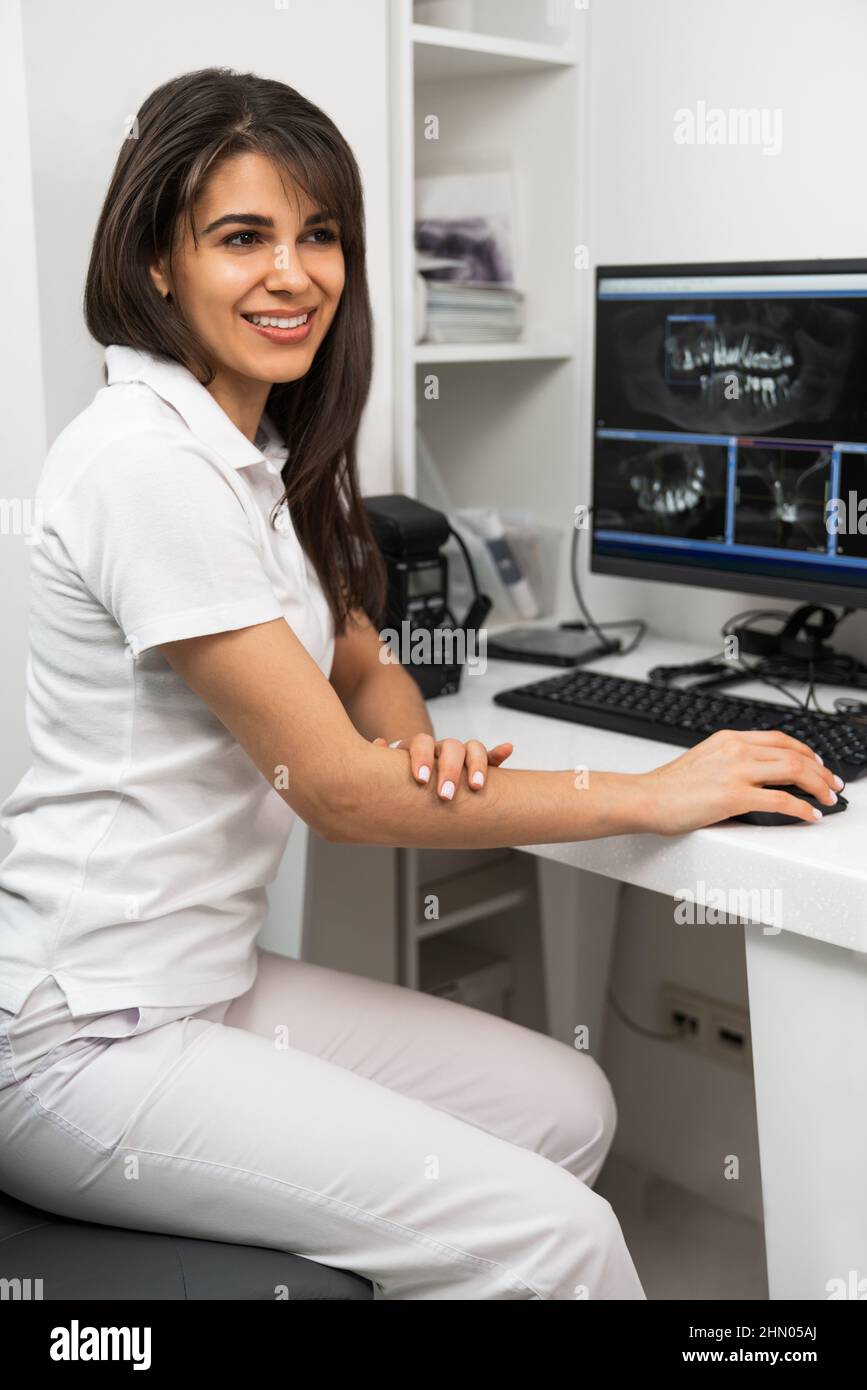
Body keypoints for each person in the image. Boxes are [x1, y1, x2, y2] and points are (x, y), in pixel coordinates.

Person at [0, 68, 839, 1302]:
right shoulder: (144, 466)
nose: (296, 274)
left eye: (319, 234)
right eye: (244, 237)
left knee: (567, 1104)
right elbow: (337, 795)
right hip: (85, 1038)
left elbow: (360, 663)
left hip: (200, 984)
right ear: (157, 262)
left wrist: (420, 743)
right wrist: (657, 789)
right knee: (565, 1240)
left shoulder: (248, 456)